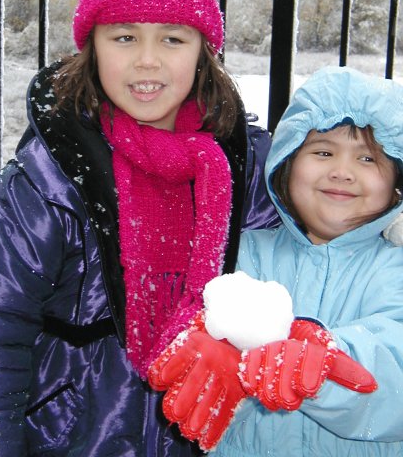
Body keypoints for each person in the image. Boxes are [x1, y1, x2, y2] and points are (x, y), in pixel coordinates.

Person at [0, 0, 279, 457]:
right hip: (72, 437)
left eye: (172, 38)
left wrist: (385, 220)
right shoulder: (46, 181)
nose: (147, 60)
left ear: (203, 49)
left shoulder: (241, 164)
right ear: (93, 45)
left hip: (205, 433)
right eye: (124, 36)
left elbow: (318, 228)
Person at [150, 65, 403, 457]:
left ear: (395, 181)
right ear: (287, 163)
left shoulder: (395, 269)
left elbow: (394, 365)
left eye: (368, 160)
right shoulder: (241, 253)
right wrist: (206, 353)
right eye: (322, 152)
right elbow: (186, 324)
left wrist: (327, 361)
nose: (342, 172)